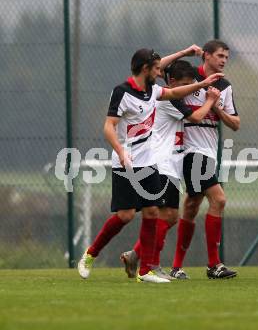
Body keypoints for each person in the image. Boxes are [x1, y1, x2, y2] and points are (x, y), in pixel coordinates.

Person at [77, 47, 223, 284]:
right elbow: (108, 126)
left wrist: (201, 83)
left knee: (153, 211)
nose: (160, 71)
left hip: (150, 163)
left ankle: (145, 271)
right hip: (127, 163)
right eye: (156, 68)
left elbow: (175, 90)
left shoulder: (153, 91)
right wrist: (121, 152)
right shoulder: (122, 92)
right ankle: (91, 254)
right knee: (124, 216)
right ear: (145, 69)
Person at [120, 60, 221, 280]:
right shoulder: (168, 100)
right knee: (165, 215)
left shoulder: (167, 94)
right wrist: (210, 99)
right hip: (162, 163)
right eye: (185, 85)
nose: (188, 89)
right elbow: (196, 116)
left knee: (170, 216)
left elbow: (160, 66)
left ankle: (137, 256)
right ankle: (150, 264)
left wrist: (185, 53)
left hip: (170, 165)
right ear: (173, 82)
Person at [171, 40, 240, 279]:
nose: (223, 60)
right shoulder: (189, 78)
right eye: (220, 55)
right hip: (192, 151)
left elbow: (235, 124)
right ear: (206, 56)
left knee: (190, 206)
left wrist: (216, 106)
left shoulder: (225, 86)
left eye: (226, 57)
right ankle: (214, 264)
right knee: (219, 199)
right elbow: (165, 79)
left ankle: (175, 266)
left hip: (209, 151)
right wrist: (184, 52)